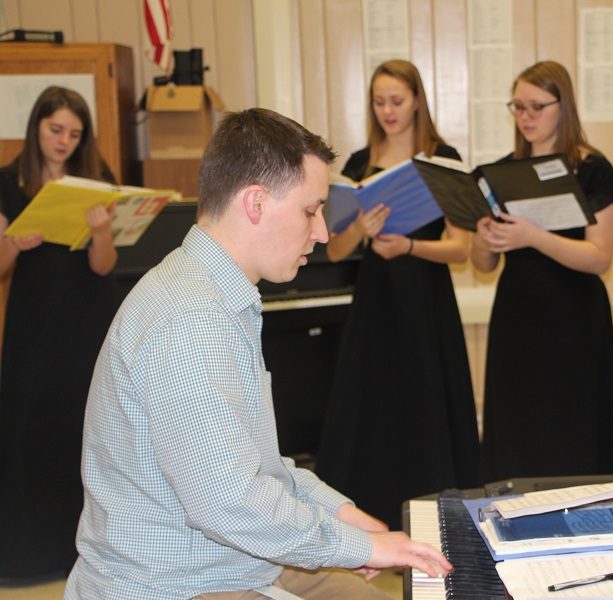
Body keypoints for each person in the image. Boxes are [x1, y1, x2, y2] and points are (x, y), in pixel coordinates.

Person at [64, 108, 452, 599]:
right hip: (173, 582)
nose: (323, 233)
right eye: (311, 211)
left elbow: (259, 466)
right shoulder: (190, 318)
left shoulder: (215, 291)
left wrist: (344, 516)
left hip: (232, 557)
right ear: (256, 203)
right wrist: (360, 548)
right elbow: (231, 502)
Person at [314, 60, 480, 530]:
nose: (387, 111)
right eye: (379, 102)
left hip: (425, 302)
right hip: (376, 302)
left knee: (427, 404)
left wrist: (409, 245)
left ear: (417, 101)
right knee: (374, 406)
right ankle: (371, 522)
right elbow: (334, 249)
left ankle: (435, 521)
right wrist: (362, 231)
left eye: (397, 101)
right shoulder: (358, 165)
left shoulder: (441, 157)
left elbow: (461, 249)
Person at [473, 60, 613, 482]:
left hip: (574, 315)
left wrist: (533, 236)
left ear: (564, 105)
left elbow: (600, 256)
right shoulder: (499, 172)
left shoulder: (593, 168)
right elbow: (483, 264)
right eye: (518, 107)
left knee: (572, 430)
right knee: (518, 429)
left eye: (536, 107)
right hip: (517, 314)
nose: (526, 117)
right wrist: (484, 238)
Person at [0, 86, 119, 581]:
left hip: (86, 321)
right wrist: (13, 243)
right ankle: (29, 554)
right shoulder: (9, 181)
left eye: (74, 133)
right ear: (37, 127)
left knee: (86, 429)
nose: (64, 141)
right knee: (29, 426)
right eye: (56, 130)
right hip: (34, 324)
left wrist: (100, 231)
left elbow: (104, 266)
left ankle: (88, 551)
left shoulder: (96, 178)